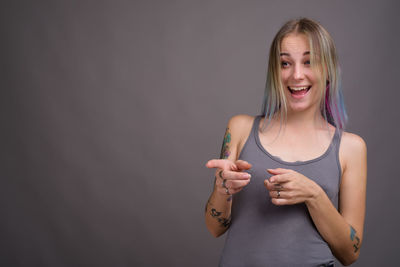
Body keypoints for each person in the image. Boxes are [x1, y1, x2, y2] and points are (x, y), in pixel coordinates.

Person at [204, 18, 367, 267]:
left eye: (309, 61)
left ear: (329, 69)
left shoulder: (351, 148)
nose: (296, 75)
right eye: (285, 63)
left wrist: (314, 196)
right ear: (274, 71)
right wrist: (222, 189)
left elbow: (350, 253)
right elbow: (215, 228)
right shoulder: (239, 128)